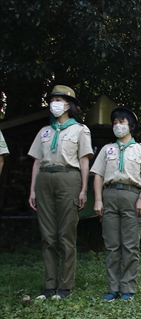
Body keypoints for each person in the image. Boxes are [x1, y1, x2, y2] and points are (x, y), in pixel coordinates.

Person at [27, 85, 93, 300]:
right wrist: (32, 190)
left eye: (60, 99)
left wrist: (83, 189)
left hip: (68, 178)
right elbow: (36, 161)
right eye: (53, 99)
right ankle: (49, 285)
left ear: (69, 105)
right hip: (45, 178)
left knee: (66, 234)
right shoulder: (44, 131)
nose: (55, 103)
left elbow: (84, 161)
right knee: (48, 235)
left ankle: (65, 285)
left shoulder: (80, 130)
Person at [91, 107, 141, 302]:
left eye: (122, 122)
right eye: (115, 122)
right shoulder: (106, 149)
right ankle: (113, 288)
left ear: (132, 126)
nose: (118, 126)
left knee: (130, 245)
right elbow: (98, 175)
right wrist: (98, 199)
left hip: (132, 195)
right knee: (111, 244)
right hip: (109, 194)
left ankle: (128, 288)